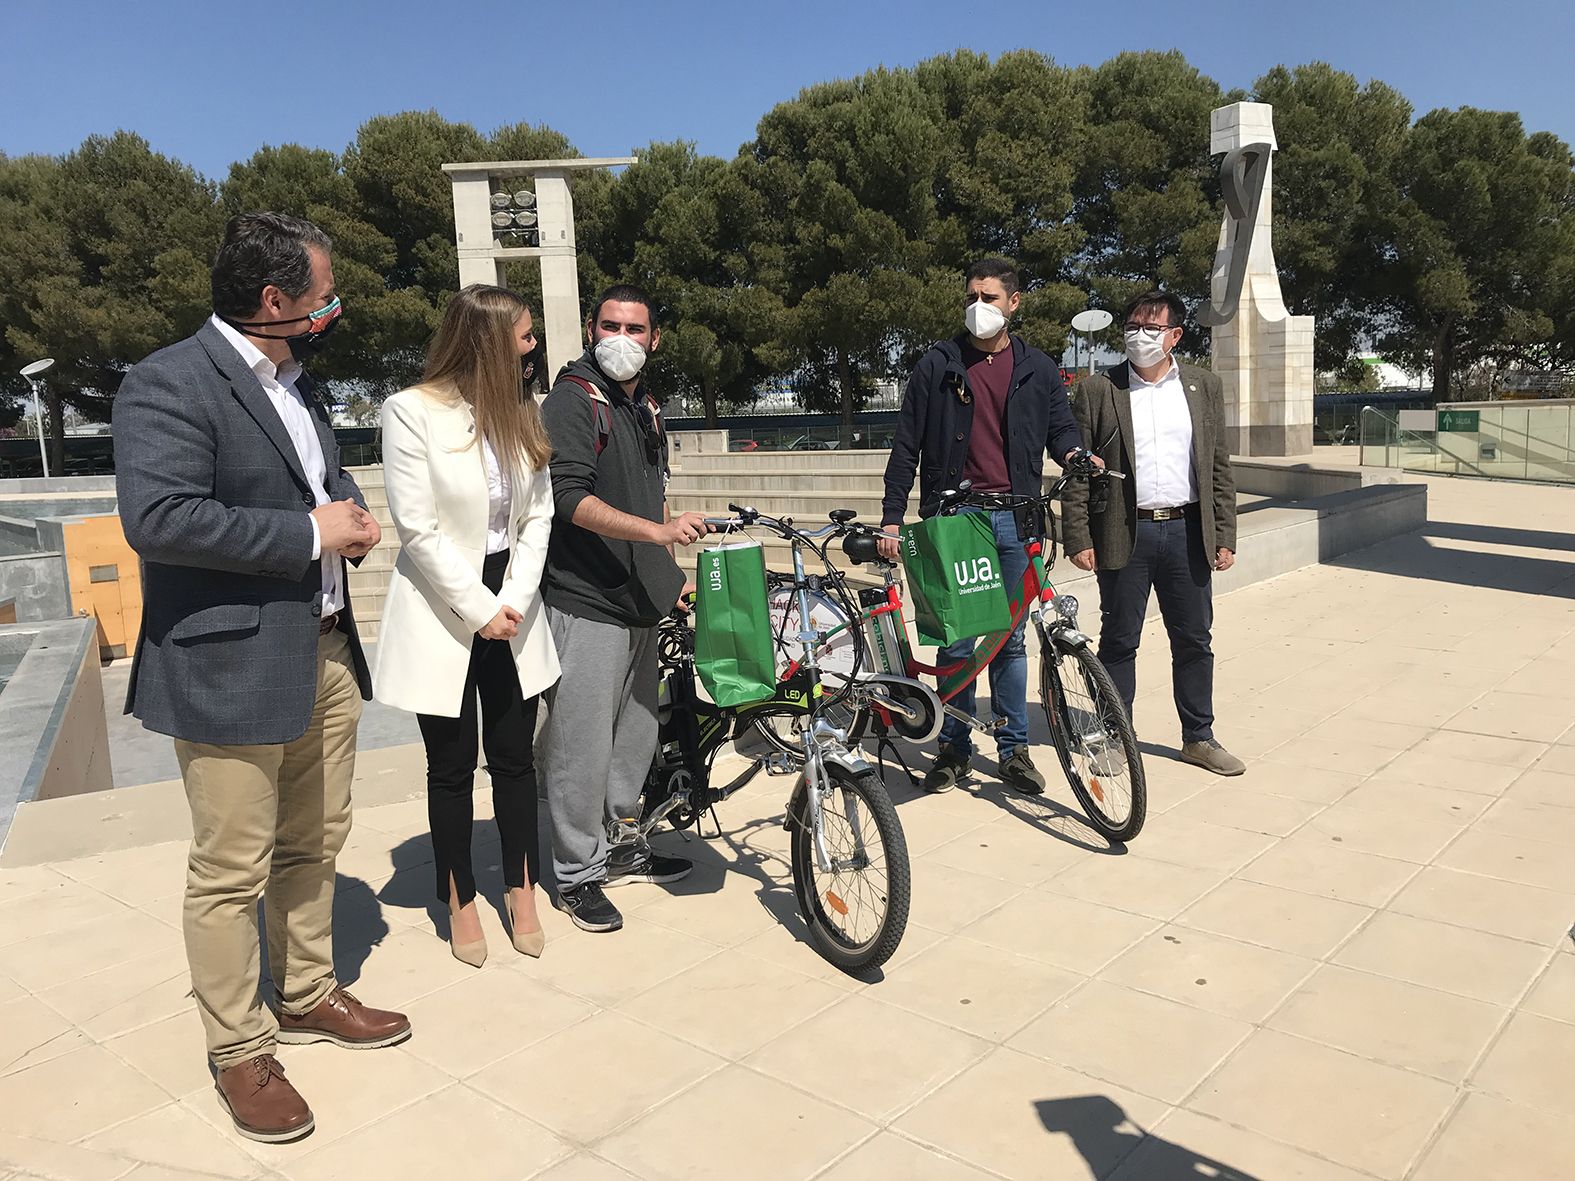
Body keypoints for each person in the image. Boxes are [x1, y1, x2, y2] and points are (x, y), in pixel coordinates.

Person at [113, 212, 409, 1144]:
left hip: (321, 647)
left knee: (317, 836)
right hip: (231, 663)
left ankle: (310, 990)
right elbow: (160, 518)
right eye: (323, 296)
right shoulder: (167, 382)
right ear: (274, 300)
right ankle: (240, 1048)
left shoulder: (297, 382)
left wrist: (348, 513)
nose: (332, 311)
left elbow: (318, 480)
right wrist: (307, 536)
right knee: (230, 868)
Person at [372, 285, 559, 967]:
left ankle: (522, 885)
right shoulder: (410, 412)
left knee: (514, 759)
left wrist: (510, 598)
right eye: (525, 335)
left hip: (514, 605)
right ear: (486, 338)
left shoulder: (518, 410)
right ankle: (459, 896)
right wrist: (478, 610)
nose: (532, 347)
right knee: (450, 767)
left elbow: (537, 514)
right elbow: (416, 529)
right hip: (444, 610)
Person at [880, 257, 1098, 795]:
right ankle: (953, 747)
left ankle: (1013, 748)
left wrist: (1074, 454)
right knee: (957, 639)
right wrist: (891, 515)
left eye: (990, 298)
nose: (979, 307)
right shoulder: (938, 364)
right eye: (972, 296)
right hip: (956, 522)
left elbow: (1061, 428)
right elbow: (906, 444)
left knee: (1011, 640)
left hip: (1017, 519)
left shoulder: (1039, 368)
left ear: (1014, 303)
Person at [538, 284, 711, 933]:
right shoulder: (572, 400)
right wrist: (658, 537)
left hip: (640, 598)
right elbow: (568, 499)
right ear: (590, 327)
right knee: (580, 742)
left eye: (634, 328)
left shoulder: (645, 407)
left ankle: (621, 844)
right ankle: (576, 873)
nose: (620, 337)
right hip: (588, 598)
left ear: (653, 338)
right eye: (609, 324)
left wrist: (669, 573)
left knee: (634, 737)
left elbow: (653, 497)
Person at [1059, 290, 1244, 776]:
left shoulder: (1204, 386)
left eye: (1151, 327)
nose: (1139, 336)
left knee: (1193, 640)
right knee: (1120, 641)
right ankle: (1117, 737)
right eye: (1133, 326)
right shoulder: (1101, 389)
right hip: (1126, 533)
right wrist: (1077, 536)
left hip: (1187, 533)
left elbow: (1217, 465)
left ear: (1175, 336)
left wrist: (1224, 532)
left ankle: (1198, 737)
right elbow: (1080, 469)